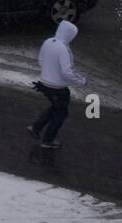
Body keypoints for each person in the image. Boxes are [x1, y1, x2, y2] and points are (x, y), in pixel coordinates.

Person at [27, 20, 87, 149]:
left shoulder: (48, 42)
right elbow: (67, 72)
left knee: (56, 107)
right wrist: (81, 80)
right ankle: (48, 140)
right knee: (61, 113)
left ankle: (35, 128)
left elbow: (41, 60)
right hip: (58, 88)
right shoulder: (63, 48)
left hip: (44, 84)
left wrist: (47, 75)